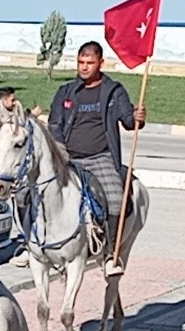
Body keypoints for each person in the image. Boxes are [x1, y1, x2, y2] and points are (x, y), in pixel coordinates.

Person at [47, 42, 146, 275]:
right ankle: (30, 244)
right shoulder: (66, 92)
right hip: (67, 159)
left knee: (115, 200)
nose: (84, 67)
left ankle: (110, 254)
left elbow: (129, 122)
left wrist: (137, 117)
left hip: (100, 158)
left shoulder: (114, 91)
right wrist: (60, 151)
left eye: (89, 63)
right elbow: (54, 124)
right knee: (38, 191)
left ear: (101, 63)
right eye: (80, 62)